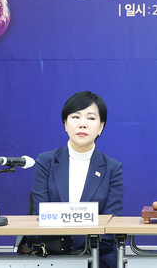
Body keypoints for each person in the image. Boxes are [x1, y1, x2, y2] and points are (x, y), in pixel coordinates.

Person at [31, 91, 123, 268]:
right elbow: (40, 214)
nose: (82, 124)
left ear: (101, 127)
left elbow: (111, 224)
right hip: (52, 253)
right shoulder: (46, 162)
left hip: (97, 255)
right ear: (65, 124)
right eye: (75, 117)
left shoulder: (112, 168)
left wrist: (81, 251)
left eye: (91, 118)